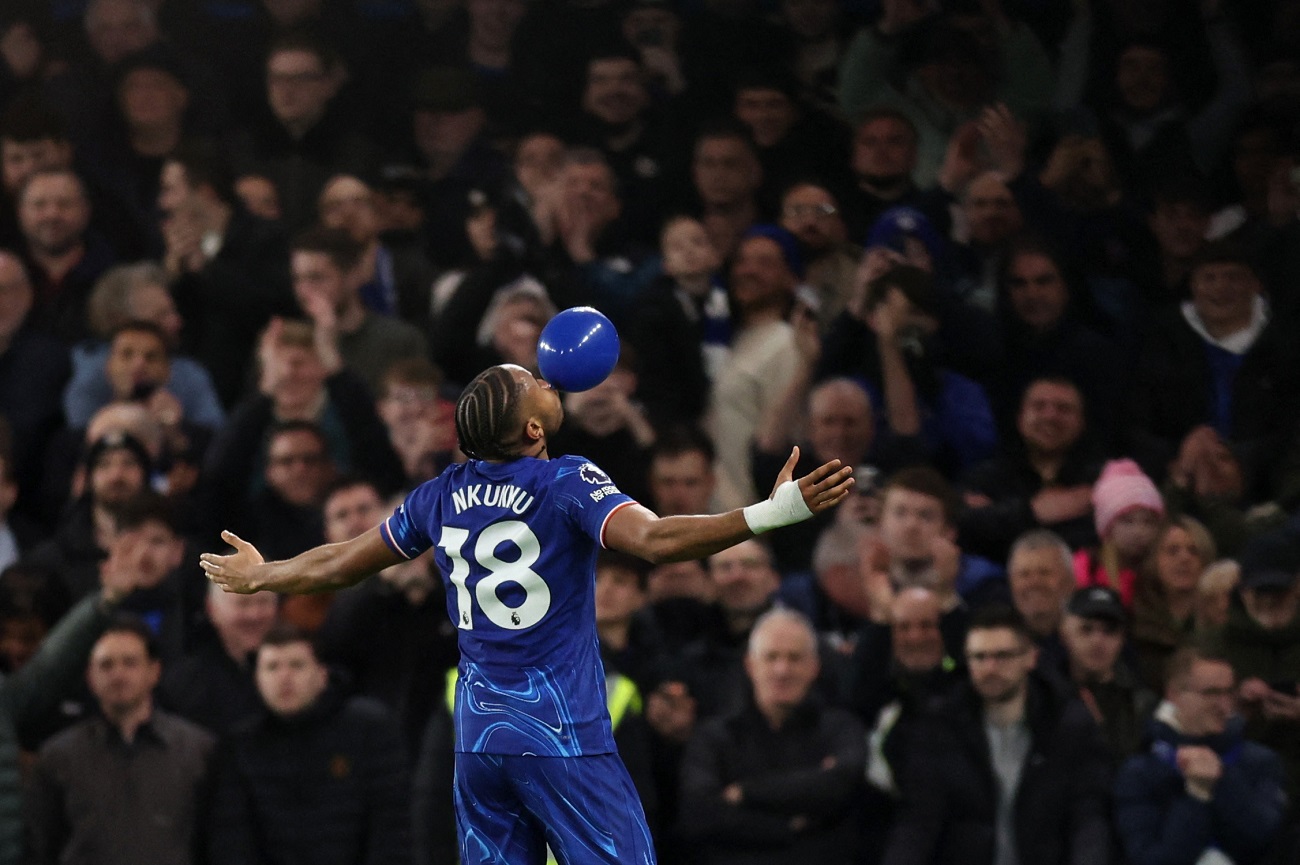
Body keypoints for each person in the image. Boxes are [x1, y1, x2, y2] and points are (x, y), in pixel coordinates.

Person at [201, 362, 854, 865]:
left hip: (480, 736)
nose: (546, 376)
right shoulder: (564, 480)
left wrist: (265, 575)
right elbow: (655, 540)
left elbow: (345, 561)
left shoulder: (439, 495)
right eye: (532, 382)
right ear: (535, 429)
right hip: (561, 730)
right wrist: (771, 512)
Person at [882, 605, 1113, 865]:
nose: (990, 668)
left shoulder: (1067, 725)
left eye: (1002, 656)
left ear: (1031, 658)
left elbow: (1088, 818)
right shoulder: (939, 727)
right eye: (979, 657)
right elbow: (918, 822)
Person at [206, 623, 412, 865]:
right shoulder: (241, 745)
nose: (284, 678)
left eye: (296, 665)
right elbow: (232, 840)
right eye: (272, 667)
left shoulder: (367, 729)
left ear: (322, 675)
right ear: (257, 680)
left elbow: (392, 830)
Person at [677, 608, 866, 865]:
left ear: (814, 667)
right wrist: (789, 826)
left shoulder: (841, 729)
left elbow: (842, 783)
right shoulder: (714, 738)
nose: (782, 670)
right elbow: (700, 815)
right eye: (771, 657)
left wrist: (746, 793)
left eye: (794, 658)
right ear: (750, 666)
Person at [28, 616, 215, 865]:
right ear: (90, 677)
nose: (118, 675)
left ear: (154, 671)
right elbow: (41, 847)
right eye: (106, 665)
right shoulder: (58, 756)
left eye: (130, 663)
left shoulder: (197, 750)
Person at [1114, 647, 1290, 865]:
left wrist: (1222, 779)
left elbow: (1267, 840)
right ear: (1174, 695)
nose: (1224, 705)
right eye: (1211, 693)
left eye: (1229, 692)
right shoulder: (1140, 770)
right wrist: (1196, 797)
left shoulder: (1260, 761)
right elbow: (1151, 859)